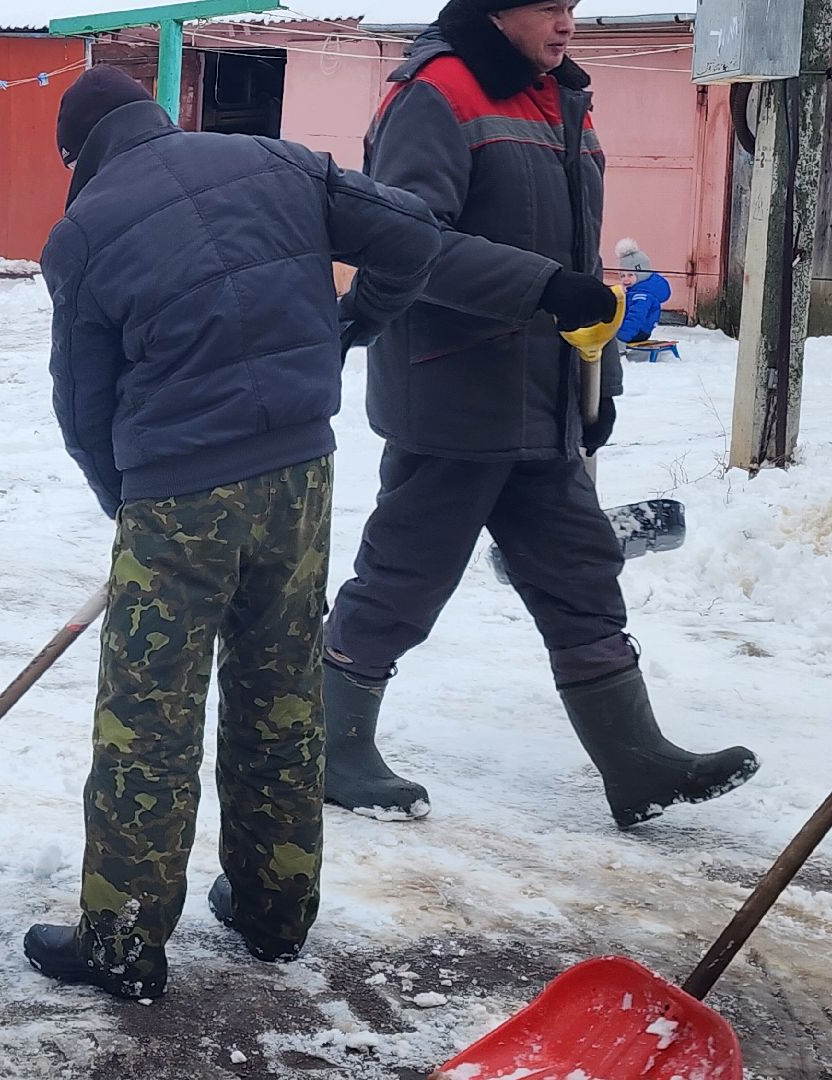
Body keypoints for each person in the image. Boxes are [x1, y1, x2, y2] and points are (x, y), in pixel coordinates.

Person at [24, 66, 442, 1000]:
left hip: (177, 494)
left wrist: (125, 501)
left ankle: (122, 946)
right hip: (299, 474)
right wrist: (351, 326)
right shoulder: (280, 162)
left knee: (149, 720)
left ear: (73, 155)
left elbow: (83, 404)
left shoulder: (83, 232)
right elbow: (413, 233)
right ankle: (274, 910)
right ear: (157, 116)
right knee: (280, 689)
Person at [321, 0, 760, 828]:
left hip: (544, 391)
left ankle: (639, 766)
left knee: (580, 572)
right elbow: (406, 241)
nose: (568, 24)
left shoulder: (554, 96)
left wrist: (597, 386)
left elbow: (576, 265)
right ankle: (330, 748)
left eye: (574, 6)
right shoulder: (437, 93)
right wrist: (542, 290)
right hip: (453, 390)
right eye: (550, 7)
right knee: (407, 576)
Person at [616, 237, 672, 344]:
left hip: (636, 332)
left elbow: (635, 318)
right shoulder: (636, 290)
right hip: (632, 330)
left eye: (630, 275)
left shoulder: (642, 295)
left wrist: (621, 339)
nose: (625, 279)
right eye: (622, 275)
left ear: (641, 275)